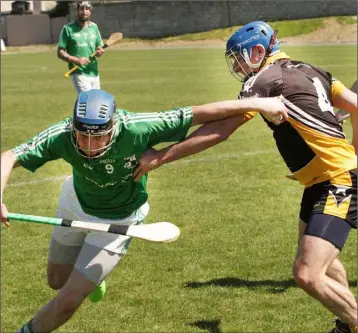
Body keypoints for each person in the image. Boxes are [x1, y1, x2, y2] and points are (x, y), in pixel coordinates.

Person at [0, 88, 288, 333]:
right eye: (83, 137)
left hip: (121, 219)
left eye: (98, 137)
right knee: (56, 281)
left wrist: (260, 103)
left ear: (113, 127)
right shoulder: (62, 135)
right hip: (74, 204)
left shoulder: (139, 127)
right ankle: (93, 280)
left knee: (68, 299)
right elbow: (8, 156)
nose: (89, 145)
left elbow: (203, 113)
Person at [133, 21, 357, 333]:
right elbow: (356, 107)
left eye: (239, 58)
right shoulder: (315, 71)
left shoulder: (265, 78)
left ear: (257, 51)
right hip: (325, 180)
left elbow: (220, 129)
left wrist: (161, 156)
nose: (237, 66)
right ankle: (346, 326)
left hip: (337, 181)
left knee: (307, 273)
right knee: (324, 261)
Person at [57, 1, 104, 94]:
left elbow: (99, 48)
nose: (84, 11)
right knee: (88, 101)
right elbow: (60, 52)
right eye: (82, 9)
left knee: (96, 103)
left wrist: (100, 52)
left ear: (90, 11)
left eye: (87, 9)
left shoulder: (94, 27)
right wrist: (76, 60)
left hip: (94, 72)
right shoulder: (67, 28)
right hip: (79, 73)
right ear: (77, 11)